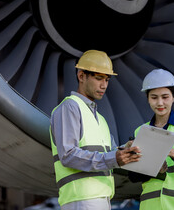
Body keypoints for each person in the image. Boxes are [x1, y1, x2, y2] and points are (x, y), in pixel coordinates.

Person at [49, 50, 141, 210]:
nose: (104, 85)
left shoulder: (101, 120)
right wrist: (114, 158)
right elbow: (68, 155)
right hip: (81, 198)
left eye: (107, 79)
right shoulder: (70, 107)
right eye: (98, 78)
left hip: (102, 198)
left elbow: (111, 153)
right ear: (81, 76)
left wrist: (126, 149)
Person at [129, 69, 174, 210]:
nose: (160, 103)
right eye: (154, 97)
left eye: (165, 97)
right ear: (147, 98)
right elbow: (133, 176)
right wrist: (154, 170)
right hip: (151, 205)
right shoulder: (140, 131)